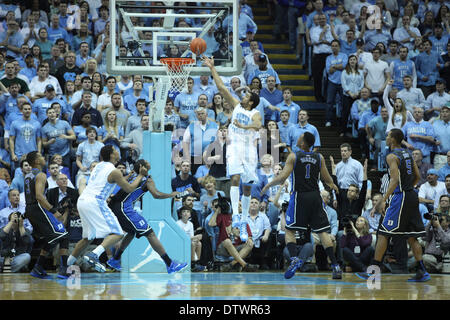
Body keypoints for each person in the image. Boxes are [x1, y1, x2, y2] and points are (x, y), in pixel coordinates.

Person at [261, 132, 341, 279]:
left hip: (300, 197)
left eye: (299, 137)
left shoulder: (294, 156)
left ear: (303, 143)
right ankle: (335, 266)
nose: (297, 138)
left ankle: (294, 259)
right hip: (316, 197)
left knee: (289, 230)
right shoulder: (319, 157)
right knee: (323, 232)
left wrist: (267, 186)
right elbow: (327, 178)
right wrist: (333, 186)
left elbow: (282, 177)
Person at [356, 128, 430, 282]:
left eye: (388, 135)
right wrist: (408, 189)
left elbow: (394, 179)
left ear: (393, 140)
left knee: (383, 232)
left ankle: (373, 271)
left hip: (400, 198)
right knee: (411, 237)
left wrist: (384, 199)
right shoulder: (408, 154)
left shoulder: (391, 156)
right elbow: (417, 177)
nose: (386, 137)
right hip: (411, 196)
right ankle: (423, 271)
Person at [202, 56, 262, 235]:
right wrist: (212, 67)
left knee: (248, 186)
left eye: (247, 96)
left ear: (250, 102)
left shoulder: (256, 112)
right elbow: (221, 87)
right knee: (235, 178)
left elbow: (258, 124)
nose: (243, 96)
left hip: (250, 150)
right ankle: (237, 215)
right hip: (235, 148)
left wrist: (246, 126)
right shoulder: (236, 105)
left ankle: (243, 221)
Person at [67, 145, 149, 273]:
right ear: (112, 154)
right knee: (117, 233)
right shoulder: (114, 171)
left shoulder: (100, 165)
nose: (118, 152)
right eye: (116, 150)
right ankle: (94, 255)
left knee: (87, 238)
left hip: (83, 201)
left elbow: (110, 180)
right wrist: (140, 176)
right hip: (96, 202)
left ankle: (66, 266)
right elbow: (129, 188)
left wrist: (126, 177)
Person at [106, 159, 186, 273]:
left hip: (115, 207)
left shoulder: (131, 176)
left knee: (132, 232)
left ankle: (115, 259)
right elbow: (157, 195)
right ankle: (170, 264)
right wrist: (171, 195)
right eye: (146, 163)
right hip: (124, 208)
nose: (149, 163)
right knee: (150, 233)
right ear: (143, 167)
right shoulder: (147, 180)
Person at [24, 151, 69, 279]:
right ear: (37, 161)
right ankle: (63, 269)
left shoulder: (28, 175)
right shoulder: (41, 175)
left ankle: (38, 267)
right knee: (63, 235)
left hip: (30, 209)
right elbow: (39, 196)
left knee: (50, 238)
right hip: (38, 208)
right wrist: (54, 210)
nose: (44, 158)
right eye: (41, 157)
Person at [207, 194, 259, 272]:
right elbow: (211, 224)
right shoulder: (223, 216)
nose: (237, 207)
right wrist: (217, 210)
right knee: (227, 241)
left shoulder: (242, 219)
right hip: (223, 248)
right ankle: (244, 265)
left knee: (250, 243)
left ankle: (231, 265)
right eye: (236, 206)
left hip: (237, 247)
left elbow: (249, 236)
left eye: (239, 206)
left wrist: (248, 239)